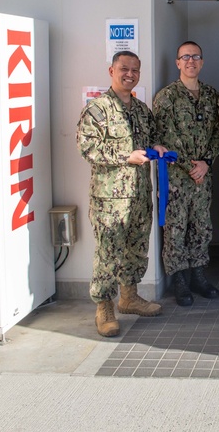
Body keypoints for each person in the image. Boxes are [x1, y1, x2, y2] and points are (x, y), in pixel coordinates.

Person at [76, 51, 167, 337]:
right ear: (111, 71)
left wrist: (158, 147)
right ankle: (104, 307)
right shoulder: (98, 109)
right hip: (110, 199)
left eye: (135, 70)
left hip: (139, 195)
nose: (130, 74)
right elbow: (88, 149)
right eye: (124, 69)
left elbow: (151, 138)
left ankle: (129, 297)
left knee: (136, 248)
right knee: (108, 254)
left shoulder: (141, 110)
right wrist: (126, 156)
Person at [152, 41, 219, 307]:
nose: (191, 61)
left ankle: (199, 276)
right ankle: (179, 281)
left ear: (202, 62)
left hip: (203, 176)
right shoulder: (166, 97)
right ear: (178, 63)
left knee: (201, 227)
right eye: (185, 57)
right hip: (177, 177)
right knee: (176, 229)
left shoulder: (211, 95)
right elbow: (160, 138)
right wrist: (187, 165)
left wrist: (205, 162)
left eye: (196, 57)